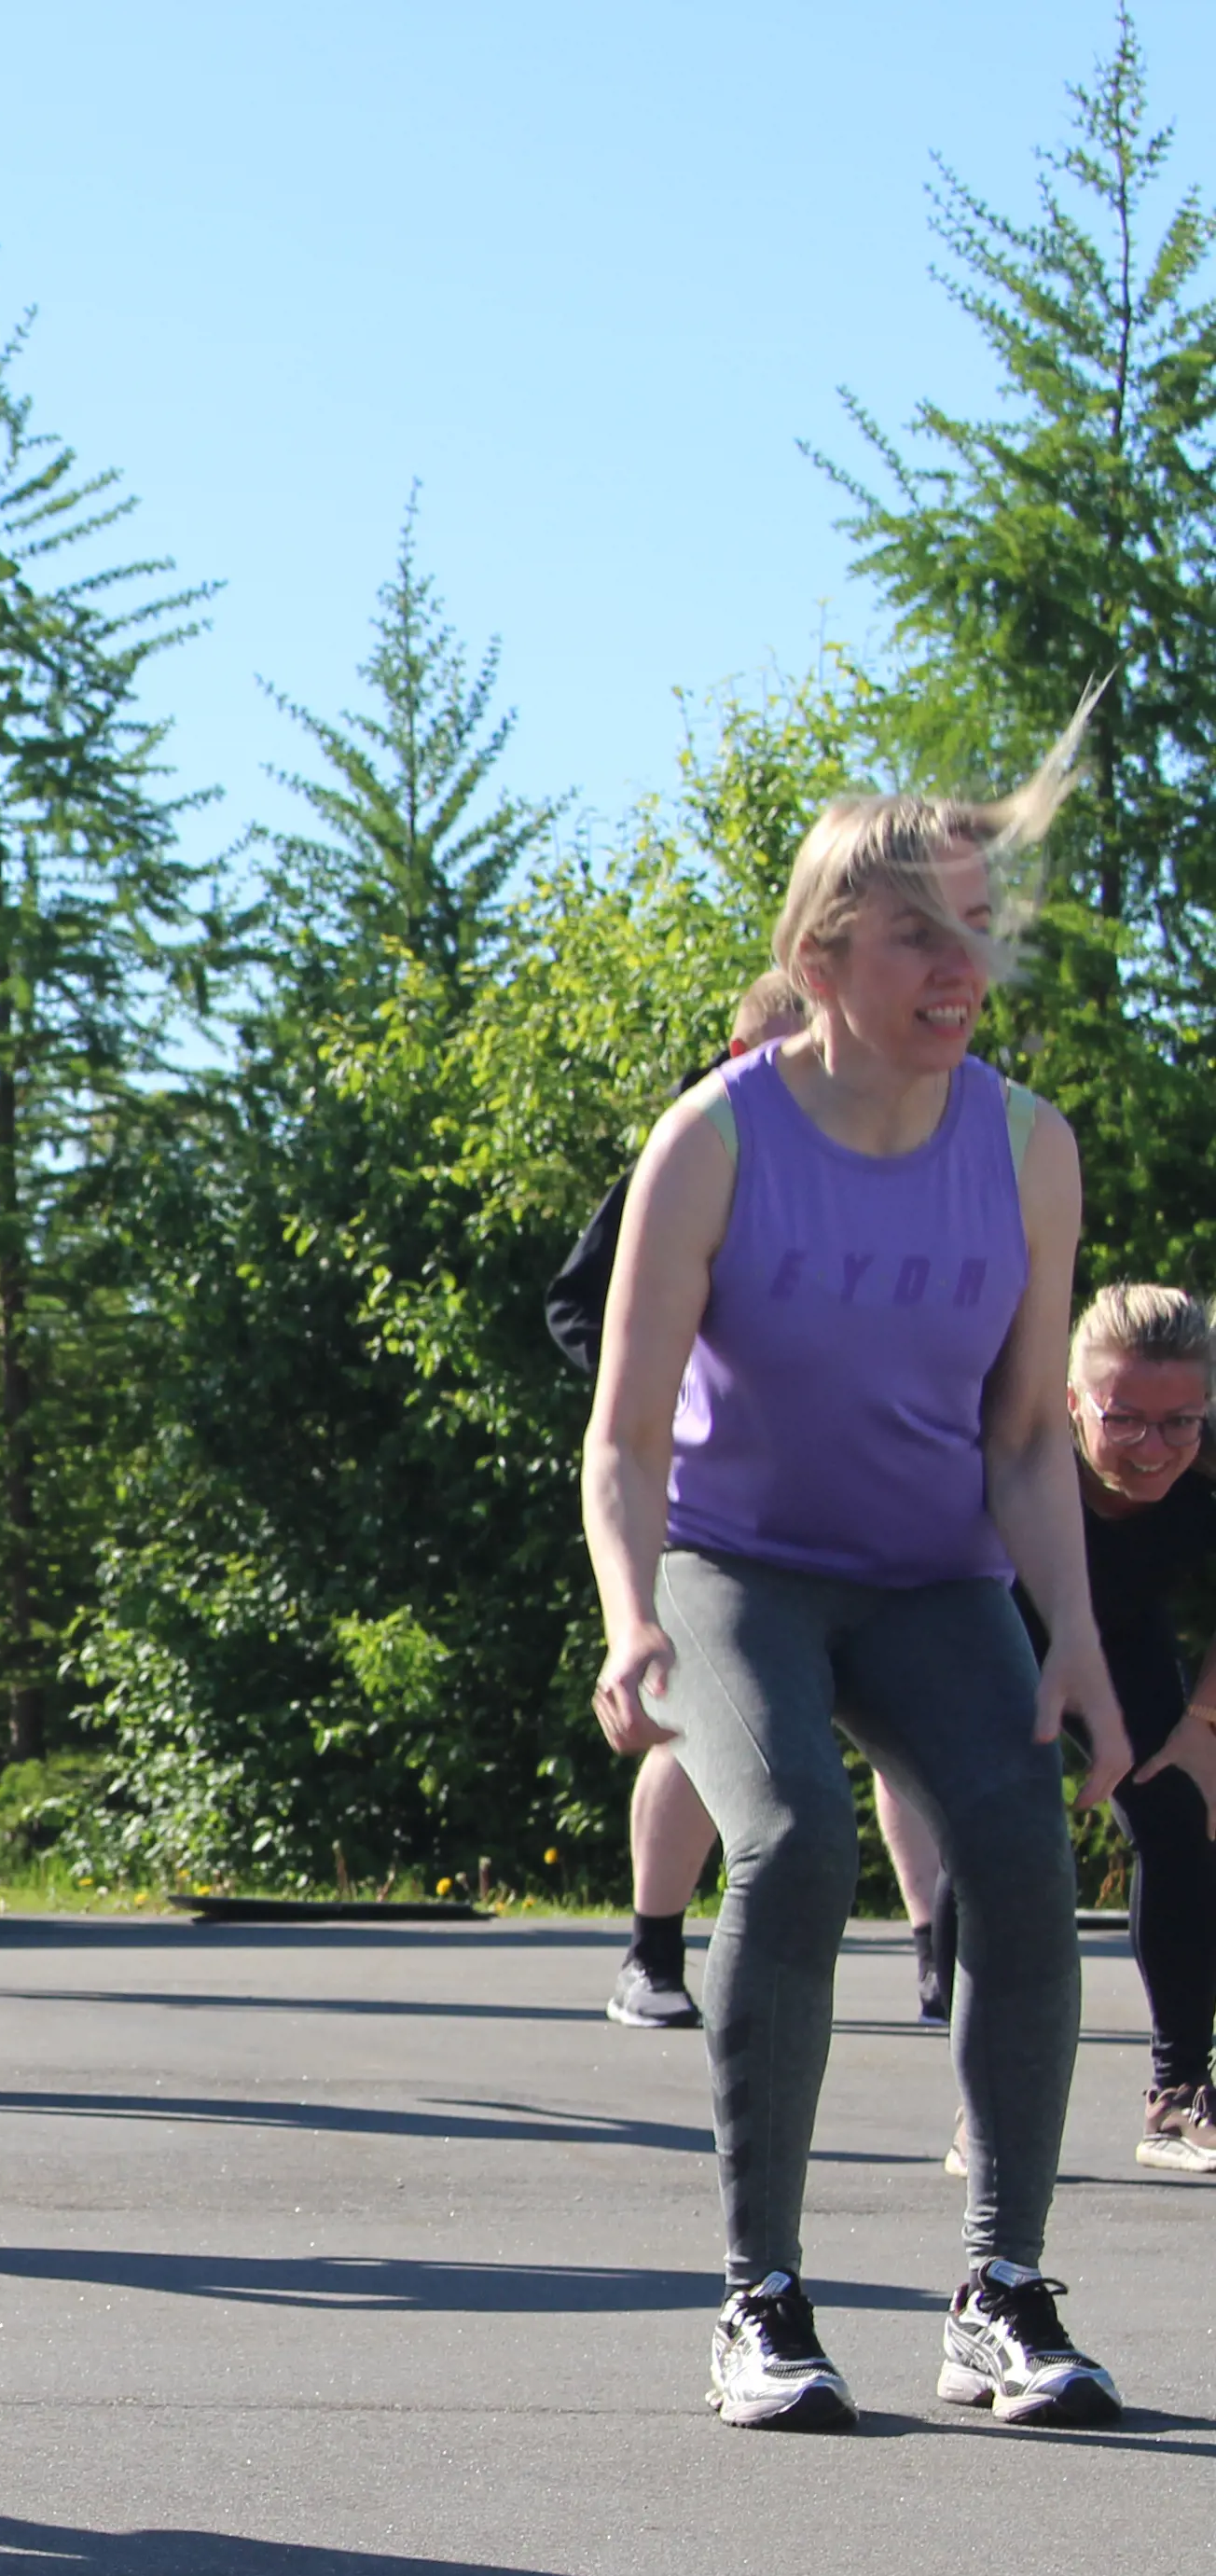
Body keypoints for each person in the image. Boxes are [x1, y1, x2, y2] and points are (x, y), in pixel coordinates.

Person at [584, 727, 1126, 2431]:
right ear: (821, 952)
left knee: (1021, 1874)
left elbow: (1028, 1436)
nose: (963, 971)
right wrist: (626, 1617)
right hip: (737, 1572)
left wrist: (1076, 1647)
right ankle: (758, 2296)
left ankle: (998, 2290)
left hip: (931, 1574)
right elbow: (618, 1440)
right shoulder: (711, 1138)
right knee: (795, 1845)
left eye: (977, 932)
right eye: (920, 936)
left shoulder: (1025, 1149)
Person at [549, 973, 961, 2032]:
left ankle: (933, 1953)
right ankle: (651, 1953)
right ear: (738, 1047)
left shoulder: (891, 1140)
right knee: (706, 1730)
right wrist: (662, 1380)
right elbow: (576, 1303)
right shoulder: (694, 1142)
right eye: (779, 1052)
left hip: (866, 1506)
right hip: (708, 1503)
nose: (801, 1075)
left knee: (902, 1731)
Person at [1057, 1282, 1216, 2171]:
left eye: (1180, 1424)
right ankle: (991, 2102)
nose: (1153, 1450)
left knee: (1182, 1814)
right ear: (1076, 1400)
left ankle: (1178, 2093)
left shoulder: (1208, 1448)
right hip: (1006, 1619)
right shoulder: (1016, 1438)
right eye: (1124, 1422)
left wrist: (1200, 1721)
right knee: (1001, 1830)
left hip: (1126, 1632)